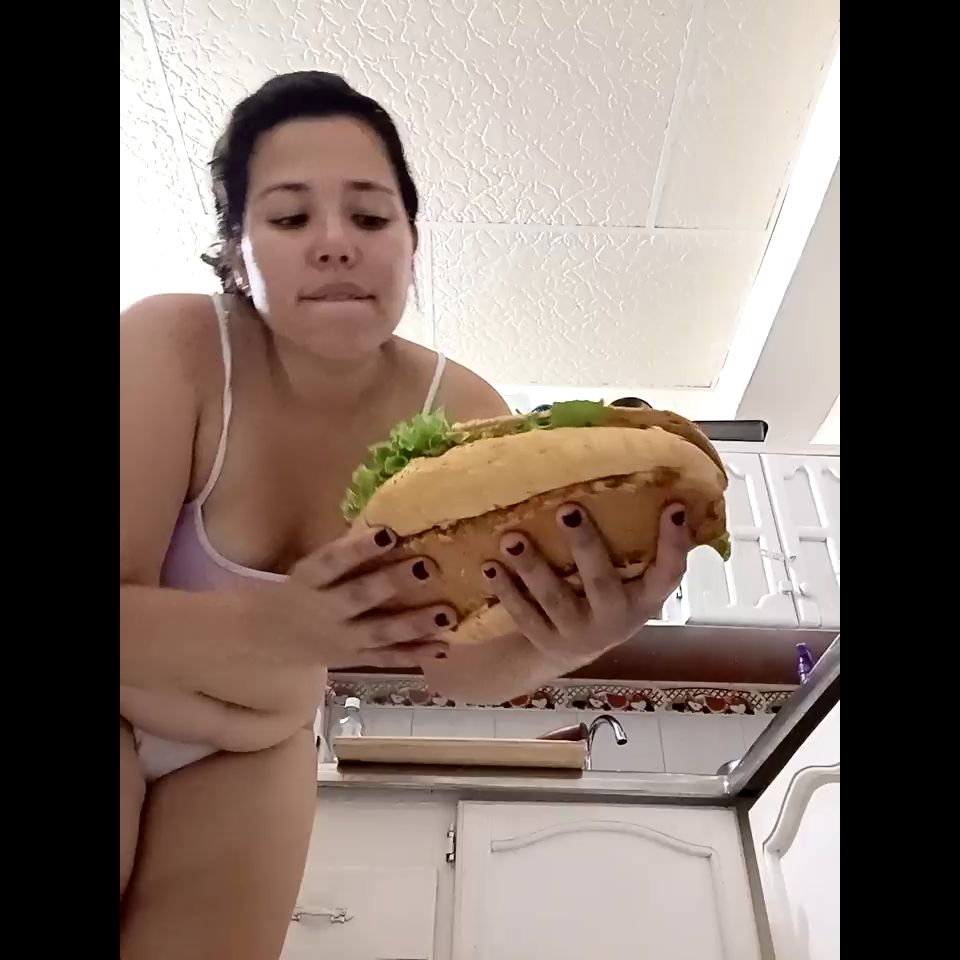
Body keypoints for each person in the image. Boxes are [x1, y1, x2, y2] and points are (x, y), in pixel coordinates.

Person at [119, 71, 693, 959]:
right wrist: (275, 627)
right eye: (290, 217)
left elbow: (457, 666)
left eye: (370, 216)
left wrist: (560, 644)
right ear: (235, 255)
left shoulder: (463, 420)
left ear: (411, 244)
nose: (335, 244)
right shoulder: (173, 347)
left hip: (255, 743)